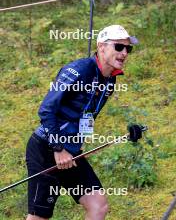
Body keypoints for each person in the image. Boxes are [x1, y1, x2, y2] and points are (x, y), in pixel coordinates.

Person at [26, 25, 138, 220]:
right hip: (46, 148)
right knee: (39, 216)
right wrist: (58, 148)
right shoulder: (79, 70)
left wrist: (125, 135)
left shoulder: (110, 80)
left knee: (98, 205)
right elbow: (47, 108)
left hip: (71, 152)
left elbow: (86, 114)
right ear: (102, 47)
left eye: (128, 48)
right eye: (119, 47)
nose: (124, 53)